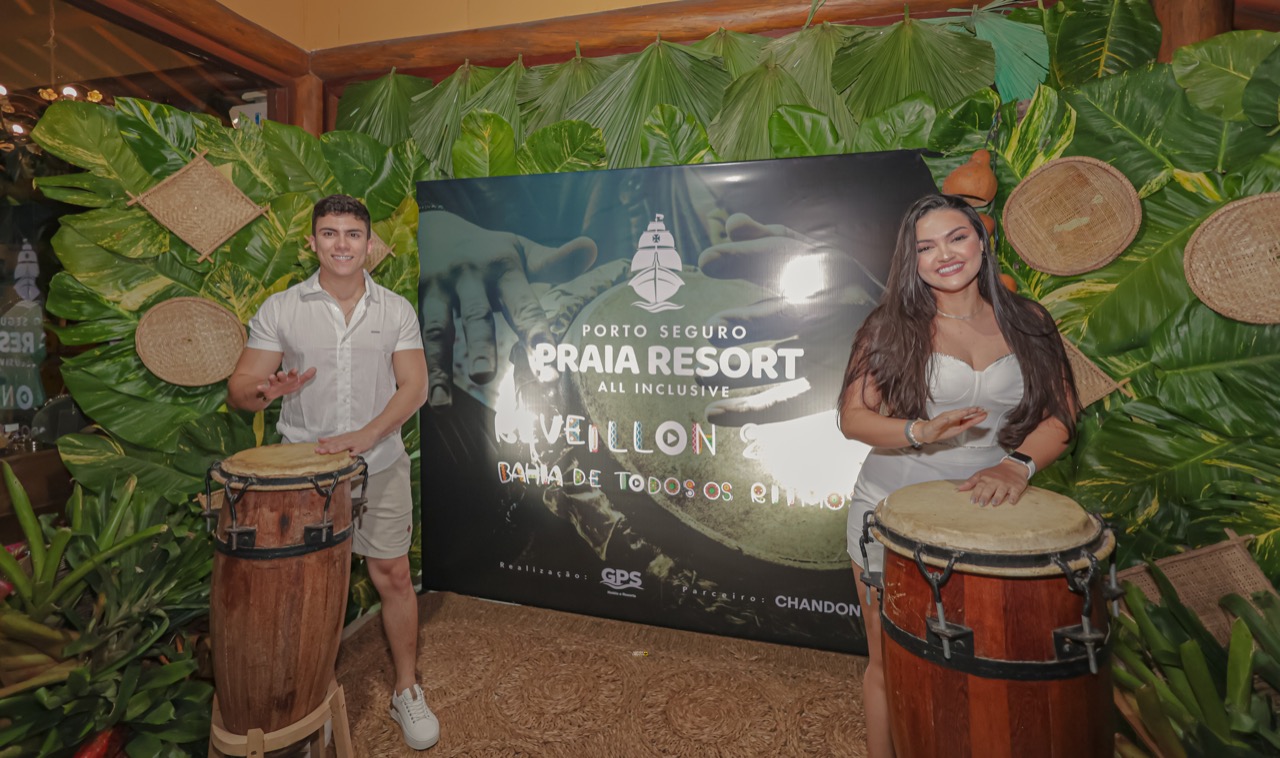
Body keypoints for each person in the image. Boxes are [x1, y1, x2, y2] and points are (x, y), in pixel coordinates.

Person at [836, 193, 1078, 758]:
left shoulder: (1029, 321)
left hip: (991, 516)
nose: (944, 255)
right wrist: (921, 430)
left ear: (981, 242)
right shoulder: (889, 326)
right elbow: (852, 418)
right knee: (888, 660)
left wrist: (1016, 465)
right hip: (889, 509)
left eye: (957, 237)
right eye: (926, 247)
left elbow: (1062, 414)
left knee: (984, 666)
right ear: (912, 260)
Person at [227, 194, 437, 751]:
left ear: (369, 245)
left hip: (381, 464)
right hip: (304, 476)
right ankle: (305, 699)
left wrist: (368, 435)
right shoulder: (282, 308)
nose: (341, 244)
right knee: (305, 589)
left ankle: (406, 689)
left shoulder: (395, 310)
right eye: (329, 233)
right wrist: (266, 390)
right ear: (312, 242)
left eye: (352, 234)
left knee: (393, 575)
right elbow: (241, 390)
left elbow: (415, 386)